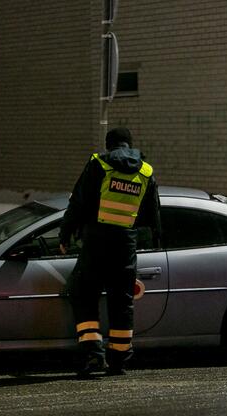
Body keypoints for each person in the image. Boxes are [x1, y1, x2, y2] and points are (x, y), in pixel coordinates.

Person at [59, 127, 161, 377]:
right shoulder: (146, 171)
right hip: (125, 243)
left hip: (97, 240)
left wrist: (66, 234)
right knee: (122, 301)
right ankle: (119, 360)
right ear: (129, 144)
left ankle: (93, 354)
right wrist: (152, 238)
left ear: (109, 145)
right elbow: (152, 213)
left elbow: (78, 203)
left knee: (83, 293)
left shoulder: (99, 164)